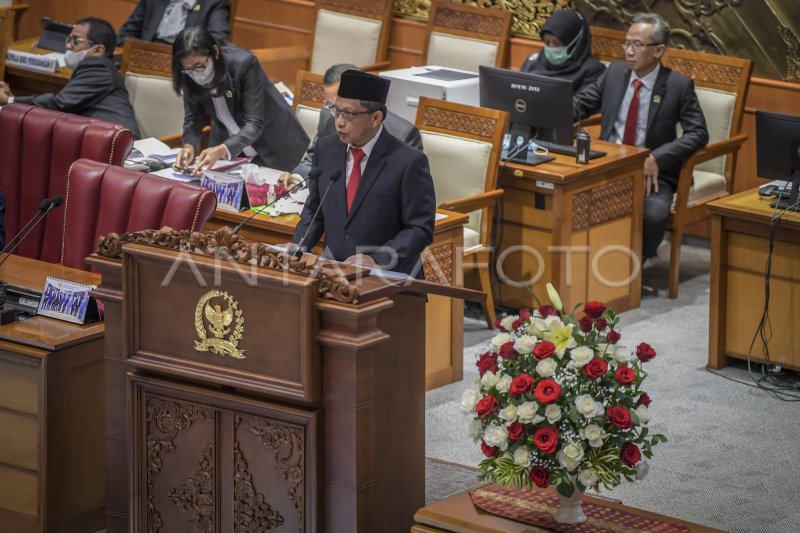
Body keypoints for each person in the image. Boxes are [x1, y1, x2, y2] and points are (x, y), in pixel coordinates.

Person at [573, 13, 708, 261]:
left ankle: (631, 267)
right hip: (606, 164)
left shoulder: (679, 86)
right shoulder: (614, 72)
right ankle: (589, 264)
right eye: (626, 43)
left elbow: (699, 133)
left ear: (658, 51)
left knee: (653, 214)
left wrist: (657, 157)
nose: (629, 51)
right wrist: (548, 109)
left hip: (652, 173)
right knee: (569, 200)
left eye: (637, 45)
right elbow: (581, 104)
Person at [291, 70, 436, 277]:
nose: (339, 122)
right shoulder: (325, 149)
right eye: (336, 111)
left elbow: (420, 228)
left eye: (349, 114)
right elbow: (315, 210)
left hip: (389, 279)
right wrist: (297, 246)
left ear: (376, 118)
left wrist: (377, 259)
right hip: (333, 274)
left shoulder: (408, 162)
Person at [172, 27, 309, 175]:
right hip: (232, 150)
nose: (194, 74)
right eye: (187, 68)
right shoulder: (186, 73)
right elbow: (193, 120)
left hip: (274, 144)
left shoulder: (244, 64)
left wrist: (223, 149)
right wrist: (189, 146)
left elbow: (254, 123)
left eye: (199, 66)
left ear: (215, 52)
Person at [0, 18, 141, 138]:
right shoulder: (97, 69)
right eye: (68, 39)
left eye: (75, 41)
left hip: (122, 148)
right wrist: (14, 101)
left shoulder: (99, 67)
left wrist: (10, 101)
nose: (68, 46)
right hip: (103, 140)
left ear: (98, 50)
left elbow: (61, 103)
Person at [293, 63, 423, 180]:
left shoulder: (403, 135)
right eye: (333, 107)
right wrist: (297, 178)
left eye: (347, 112)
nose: (338, 120)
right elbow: (312, 161)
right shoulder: (329, 117)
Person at [520, 9, 605, 93]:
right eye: (547, 42)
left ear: (575, 43)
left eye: (557, 43)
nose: (551, 47)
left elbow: (582, 104)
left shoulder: (592, 70)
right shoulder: (533, 61)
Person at [117, 0, 231, 46]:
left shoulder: (214, 2)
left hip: (185, 60)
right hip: (145, 54)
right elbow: (128, 32)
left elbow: (217, 40)